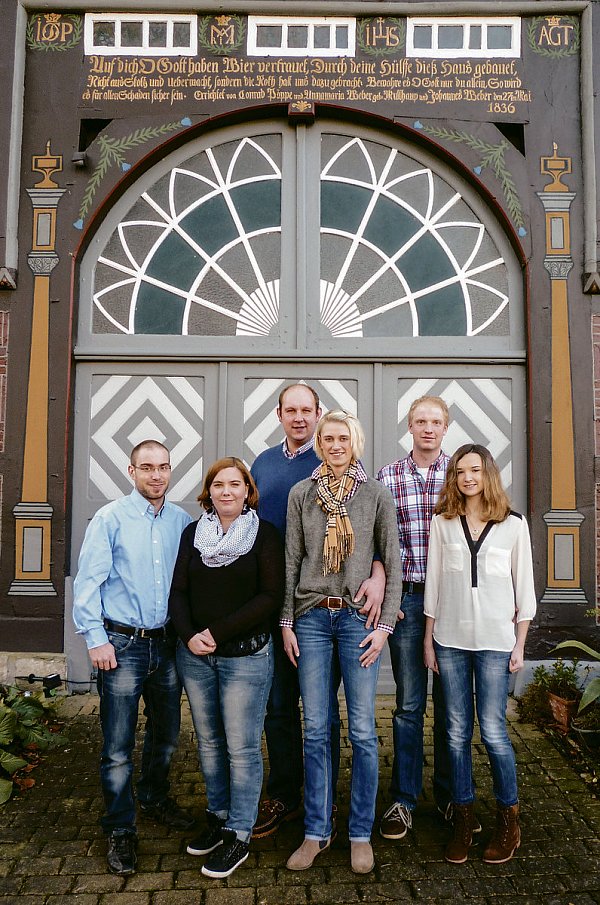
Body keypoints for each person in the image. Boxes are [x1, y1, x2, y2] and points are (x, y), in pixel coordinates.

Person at [251, 384, 385, 838]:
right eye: (291, 410)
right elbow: (274, 541)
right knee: (280, 705)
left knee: (330, 717)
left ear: (321, 416)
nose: (300, 418)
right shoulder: (266, 465)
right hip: (282, 601)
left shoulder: (348, 470)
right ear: (279, 414)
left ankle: (332, 810)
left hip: (341, 608)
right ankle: (289, 796)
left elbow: (372, 531)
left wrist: (380, 575)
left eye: (307, 410)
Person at [281, 411, 402, 875]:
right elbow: (292, 560)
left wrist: (384, 626)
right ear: (318, 442)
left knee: (364, 733)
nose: (335, 445)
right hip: (311, 618)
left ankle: (359, 833)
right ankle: (316, 831)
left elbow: (392, 560)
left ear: (356, 442)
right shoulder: (302, 495)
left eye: (343, 438)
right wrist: (287, 621)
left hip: (358, 621)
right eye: (328, 437)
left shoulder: (374, 494)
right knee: (316, 728)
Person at [72, 440, 194, 877]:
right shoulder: (110, 519)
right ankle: (120, 826)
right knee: (118, 745)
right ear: (131, 471)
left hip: (166, 645)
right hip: (121, 646)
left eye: (163, 467)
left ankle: (155, 797)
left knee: (166, 734)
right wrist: (94, 639)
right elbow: (87, 582)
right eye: (148, 468)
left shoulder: (182, 521)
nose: (157, 475)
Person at [169, 457, 284, 879]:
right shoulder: (192, 535)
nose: (227, 492)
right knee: (209, 742)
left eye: (235, 484)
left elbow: (270, 597)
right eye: (219, 485)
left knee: (242, 747)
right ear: (209, 492)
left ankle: (240, 832)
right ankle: (218, 817)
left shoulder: (264, 536)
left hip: (245, 659)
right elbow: (177, 592)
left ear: (248, 491)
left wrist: (216, 632)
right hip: (196, 657)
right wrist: (188, 636)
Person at [423, 444, 536, 865]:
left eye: (475, 470)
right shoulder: (443, 523)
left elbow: (524, 589)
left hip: (494, 642)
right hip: (450, 640)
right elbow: (433, 584)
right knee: (454, 732)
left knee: (492, 731)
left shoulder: (512, 525)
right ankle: (463, 817)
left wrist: (520, 644)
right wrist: (428, 639)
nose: (468, 477)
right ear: (453, 478)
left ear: (488, 474)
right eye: (460, 471)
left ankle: (509, 819)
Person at [376, 396, 454, 840]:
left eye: (436, 422)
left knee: (451, 705)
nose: (428, 428)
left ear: (445, 428)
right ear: (409, 425)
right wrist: (389, 596)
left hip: (451, 606)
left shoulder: (460, 474)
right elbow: (378, 543)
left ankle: (448, 796)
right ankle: (404, 799)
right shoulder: (388, 476)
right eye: (421, 421)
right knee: (408, 705)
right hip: (406, 602)